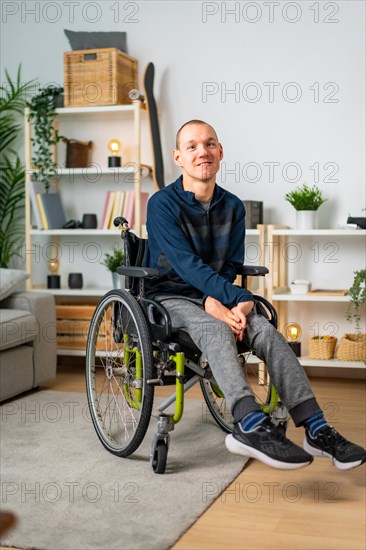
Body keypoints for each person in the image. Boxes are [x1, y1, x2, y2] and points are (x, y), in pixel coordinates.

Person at [144, 119, 366, 471]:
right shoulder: (161, 204)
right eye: (192, 146)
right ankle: (248, 424)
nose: (203, 151)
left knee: (264, 330)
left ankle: (315, 427)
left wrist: (241, 302)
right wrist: (216, 301)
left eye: (210, 143)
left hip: (217, 295)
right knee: (216, 329)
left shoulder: (233, 206)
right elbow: (184, 265)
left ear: (220, 152)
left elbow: (231, 263)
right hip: (170, 297)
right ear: (178, 157)